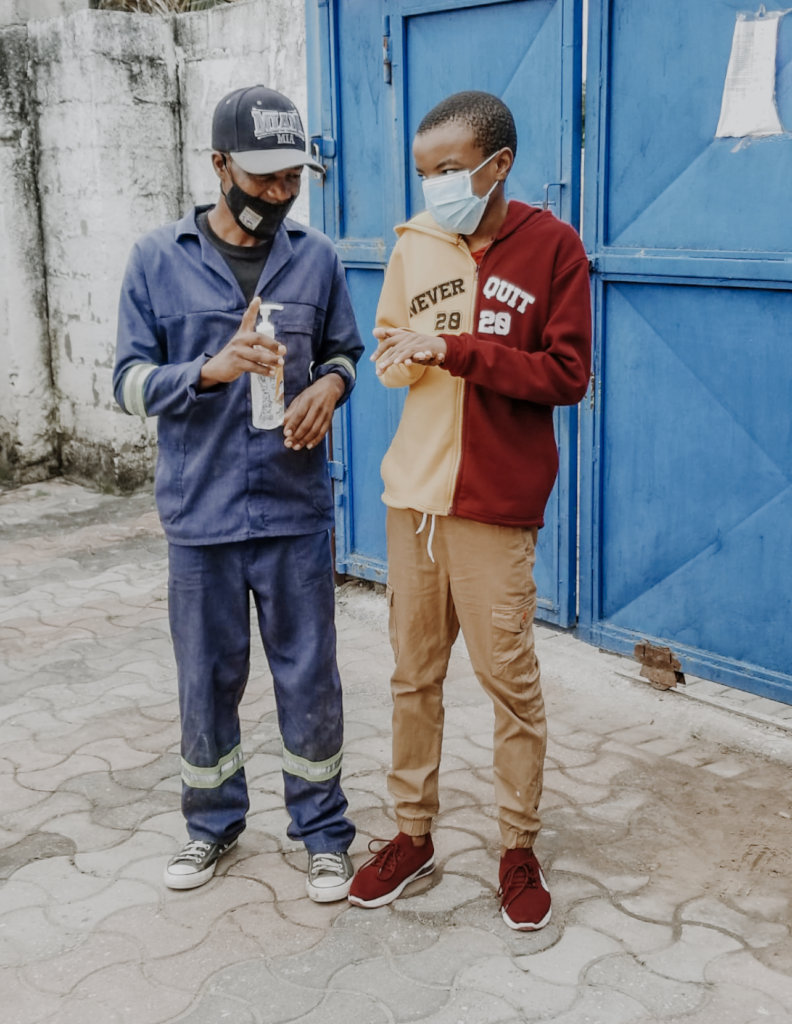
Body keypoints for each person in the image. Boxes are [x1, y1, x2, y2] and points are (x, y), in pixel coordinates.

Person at [347, 91, 591, 930]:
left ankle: (517, 847)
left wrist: (455, 349)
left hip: (494, 503)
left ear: (498, 165)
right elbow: (386, 352)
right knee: (414, 677)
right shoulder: (416, 247)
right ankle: (412, 836)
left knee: (508, 684)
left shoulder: (553, 247)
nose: (436, 186)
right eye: (425, 173)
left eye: (449, 170)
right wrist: (405, 355)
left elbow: (566, 375)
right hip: (412, 498)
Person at [113, 85, 362, 900]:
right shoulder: (157, 258)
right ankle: (211, 827)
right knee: (207, 681)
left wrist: (331, 386)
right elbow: (125, 384)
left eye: (293, 176)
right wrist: (207, 371)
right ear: (219, 165)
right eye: (263, 177)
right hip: (202, 517)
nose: (280, 192)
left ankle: (323, 833)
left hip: (293, 515)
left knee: (309, 677)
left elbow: (344, 353)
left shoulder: (316, 257)